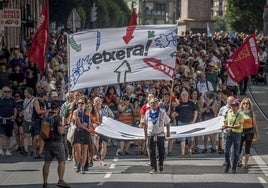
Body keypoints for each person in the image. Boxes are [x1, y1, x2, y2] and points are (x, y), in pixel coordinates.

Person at [42, 100, 71, 188]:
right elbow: (60, 131)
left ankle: (45, 182)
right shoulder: (57, 117)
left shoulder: (46, 117)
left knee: (47, 162)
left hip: (47, 142)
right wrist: (65, 129)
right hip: (57, 142)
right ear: (58, 108)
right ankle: (61, 180)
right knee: (62, 161)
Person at [142, 97, 170, 174]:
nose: (152, 104)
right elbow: (144, 124)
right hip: (150, 134)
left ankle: (161, 165)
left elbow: (167, 122)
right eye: (151, 103)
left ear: (158, 104)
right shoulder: (147, 112)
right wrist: (145, 135)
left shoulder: (162, 112)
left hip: (160, 134)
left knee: (161, 152)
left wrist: (168, 132)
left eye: (154, 103)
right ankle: (153, 167)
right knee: (152, 152)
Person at [173, 89, 198, 157]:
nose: (184, 96)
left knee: (190, 139)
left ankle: (190, 149)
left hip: (190, 123)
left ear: (188, 96)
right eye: (183, 95)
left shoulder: (192, 103)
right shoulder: (178, 105)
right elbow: (175, 113)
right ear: (181, 96)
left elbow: (196, 112)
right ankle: (182, 153)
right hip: (181, 123)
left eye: (186, 95)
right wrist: (174, 115)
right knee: (182, 138)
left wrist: (193, 121)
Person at [222, 98, 244, 174]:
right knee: (226, 152)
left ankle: (234, 167)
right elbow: (226, 121)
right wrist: (224, 125)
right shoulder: (229, 112)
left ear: (237, 107)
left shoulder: (240, 114)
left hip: (237, 134)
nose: (233, 107)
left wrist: (228, 126)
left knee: (236, 152)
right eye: (232, 106)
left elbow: (239, 126)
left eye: (235, 106)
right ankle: (228, 164)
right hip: (229, 133)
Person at [238, 98, 258, 170]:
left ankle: (245, 164)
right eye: (244, 103)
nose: (245, 105)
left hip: (249, 132)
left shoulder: (251, 113)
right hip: (241, 132)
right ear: (242, 104)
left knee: (247, 148)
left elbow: (254, 124)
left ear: (249, 105)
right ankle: (239, 161)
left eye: (247, 103)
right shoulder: (239, 112)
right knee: (239, 147)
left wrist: (256, 133)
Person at [72, 96, 91, 174]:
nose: (80, 104)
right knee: (78, 151)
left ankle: (83, 167)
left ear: (84, 104)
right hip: (78, 132)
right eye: (79, 103)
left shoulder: (87, 112)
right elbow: (78, 123)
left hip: (85, 133)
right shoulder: (75, 112)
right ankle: (78, 163)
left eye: (82, 103)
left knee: (84, 150)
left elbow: (89, 122)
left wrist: (91, 127)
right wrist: (87, 129)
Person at [0, 86, 17, 156]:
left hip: (10, 120)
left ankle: (7, 149)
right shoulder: (0, 100)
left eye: (8, 92)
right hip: (1, 119)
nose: (7, 93)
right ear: (2, 92)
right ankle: (0, 149)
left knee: (8, 136)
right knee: (1, 135)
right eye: (5, 91)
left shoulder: (12, 100)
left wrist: (14, 116)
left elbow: (15, 108)